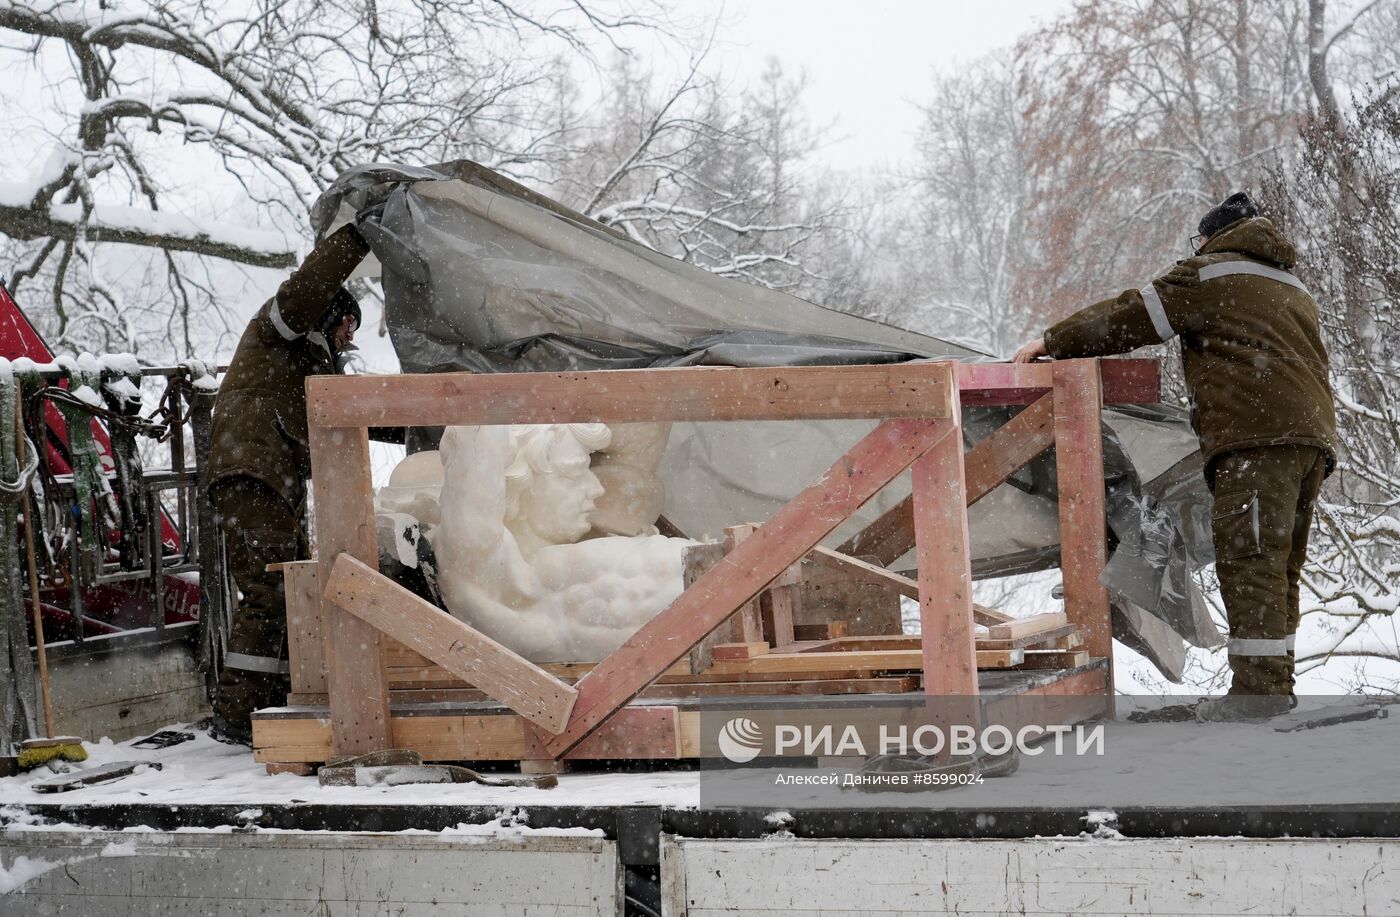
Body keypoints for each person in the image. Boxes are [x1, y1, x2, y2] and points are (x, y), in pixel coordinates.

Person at [1012, 192, 1336, 720]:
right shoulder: (1289, 284)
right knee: (1278, 566)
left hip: (1256, 439)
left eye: (1199, 241)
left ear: (1213, 237)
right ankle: (1273, 685)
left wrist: (1053, 341)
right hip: (1311, 442)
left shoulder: (1209, 274)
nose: (1196, 249)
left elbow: (1132, 316)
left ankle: (1258, 696)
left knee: (1249, 562)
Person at [206, 223, 370, 743]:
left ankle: (272, 704)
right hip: (250, 475)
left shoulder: (309, 362)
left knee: (294, 590)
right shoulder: (285, 326)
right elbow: (307, 287)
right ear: (328, 311)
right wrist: (358, 236)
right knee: (272, 591)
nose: (351, 337)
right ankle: (236, 717)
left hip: (268, 481)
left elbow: (354, 413)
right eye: (348, 322)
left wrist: (423, 424)